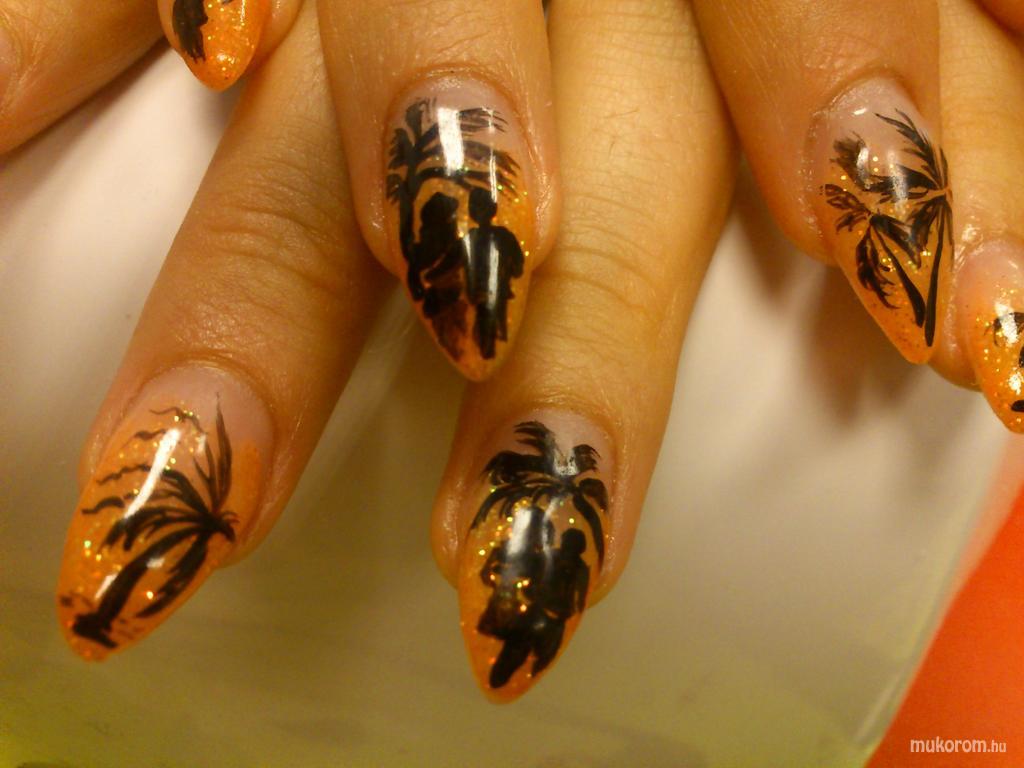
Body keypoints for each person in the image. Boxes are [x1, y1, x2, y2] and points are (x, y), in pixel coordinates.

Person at [463, 187, 526, 360]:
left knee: (493, 321)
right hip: (486, 291)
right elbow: (518, 264)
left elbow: (518, 261)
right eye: (476, 207)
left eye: (480, 207)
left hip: (493, 290)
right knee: (489, 322)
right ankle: (488, 347)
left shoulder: (495, 236)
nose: (479, 212)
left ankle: (490, 346)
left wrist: (511, 271)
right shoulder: (495, 236)